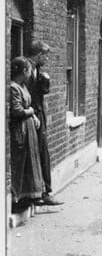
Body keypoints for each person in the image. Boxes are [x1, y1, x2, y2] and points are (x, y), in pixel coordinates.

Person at [27, 40, 62, 206]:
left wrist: (45, 82)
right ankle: (37, 194)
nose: (47, 59)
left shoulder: (37, 70)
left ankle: (45, 191)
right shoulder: (25, 69)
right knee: (35, 153)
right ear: (39, 55)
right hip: (30, 117)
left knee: (43, 151)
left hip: (38, 115)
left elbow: (42, 92)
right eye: (45, 56)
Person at [9, 57, 44, 211]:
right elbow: (17, 110)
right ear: (24, 71)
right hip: (20, 130)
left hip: (29, 129)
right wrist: (31, 112)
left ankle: (30, 196)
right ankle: (19, 198)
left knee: (31, 161)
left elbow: (28, 104)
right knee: (21, 162)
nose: (30, 73)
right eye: (29, 70)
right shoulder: (13, 87)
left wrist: (33, 115)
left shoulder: (22, 86)